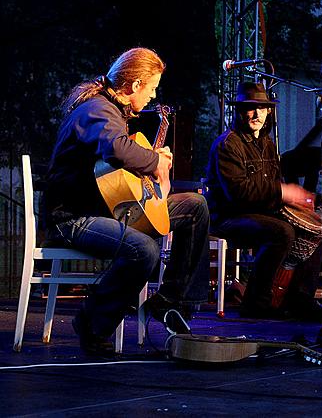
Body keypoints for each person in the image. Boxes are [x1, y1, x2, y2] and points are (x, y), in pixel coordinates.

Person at [45, 47, 210, 355]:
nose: (152, 96)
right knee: (142, 249)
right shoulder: (96, 108)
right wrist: (155, 162)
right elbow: (117, 150)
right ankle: (93, 321)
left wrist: (151, 160)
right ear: (135, 85)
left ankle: (171, 300)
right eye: (152, 88)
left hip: (107, 209)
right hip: (73, 217)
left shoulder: (111, 111)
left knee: (194, 207)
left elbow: (116, 168)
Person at [204, 81, 322, 320]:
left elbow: (270, 186)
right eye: (250, 108)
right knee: (282, 231)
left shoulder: (267, 144)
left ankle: (300, 299)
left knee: (318, 228)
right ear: (240, 111)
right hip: (229, 217)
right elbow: (239, 193)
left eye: (262, 108)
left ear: (269, 111)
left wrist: (298, 202)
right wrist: (283, 193)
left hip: (259, 213)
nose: (257, 113)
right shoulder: (228, 144)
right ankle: (255, 302)